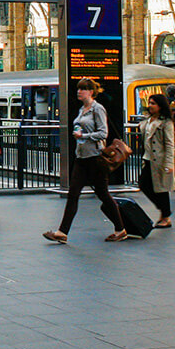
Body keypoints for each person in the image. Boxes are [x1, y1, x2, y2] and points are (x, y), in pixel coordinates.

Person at [43, 78, 126, 243]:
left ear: (91, 92)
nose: (79, 91)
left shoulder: (98, 109)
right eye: (78, 89)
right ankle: (62, 232)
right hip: (81, 157)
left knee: (103, 194)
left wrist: (84, 136)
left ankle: (120, 228)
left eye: (83, 89)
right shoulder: (82, 109)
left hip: (95, 158)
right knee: (73, 194)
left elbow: (103, 133)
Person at [138, 93, 175, 229]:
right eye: (149, 103)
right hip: (148, 158)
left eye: (153, 103)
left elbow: (170, 144)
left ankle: (166, 216)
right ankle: (164, 212)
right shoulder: (148, 120)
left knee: (161, 188)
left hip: (159, 160)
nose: (150, 106)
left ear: (160, 106)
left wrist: (169, 163)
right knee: (144, 184)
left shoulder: (166, 122)